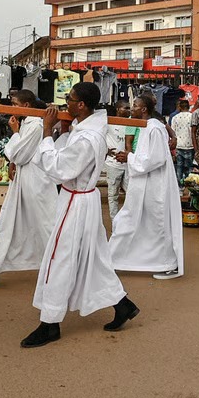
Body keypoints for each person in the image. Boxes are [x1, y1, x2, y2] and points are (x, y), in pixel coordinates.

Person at [20, 82, 139, 348]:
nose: (66, 103)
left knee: (59, 259)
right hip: (83, 200)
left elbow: (61, 167)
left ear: (82, 105)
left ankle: (50, 323)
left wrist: (47, 132)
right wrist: (63, 130)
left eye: (70, 99)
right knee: (94, 258)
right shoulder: (86, 129)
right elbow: (68, 155)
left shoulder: (88, 137)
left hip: (76, 202)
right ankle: (122, 304)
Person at [0, 89, 57, 289]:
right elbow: (17, 156)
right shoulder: (28, 123)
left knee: (47, 228)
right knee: (5, 226)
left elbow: (19, 155)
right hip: (24, 182)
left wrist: (15, 134)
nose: (11, 108)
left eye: (15, 104)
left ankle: (66, 267)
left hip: (36, 184)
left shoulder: (36, 125)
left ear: (26, 106)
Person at [110, 94, 185, 279]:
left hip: (154, 187)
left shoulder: (155, 128)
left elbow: (156, 158)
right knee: (129, 221)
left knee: (157, 225)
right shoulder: (145, 127)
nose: (131, 109)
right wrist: (128, 157)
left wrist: (129, 157)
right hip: (143, 183)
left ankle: (168, 263)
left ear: (143, 109)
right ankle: (112, 260)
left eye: (134, 106)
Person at [104, 101, 131, 220]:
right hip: (113, 163)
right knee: (112, 195)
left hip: (128, 163)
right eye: (126, 108)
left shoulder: (132, 123)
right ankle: (115, 221)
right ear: (118, 109)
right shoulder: (109, 123)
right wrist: (105, 151)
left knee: (131, 193)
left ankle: (127, 220)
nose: (129, 110)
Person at [170, 98, 195, 184]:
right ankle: (188, 186)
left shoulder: (175, 118)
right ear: (189, 107)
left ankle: (179, 186)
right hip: (190, 145)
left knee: (179, 167)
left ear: (180, 107)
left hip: (179, 146)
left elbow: (172, 133)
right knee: (189, 167)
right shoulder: (192, 116)